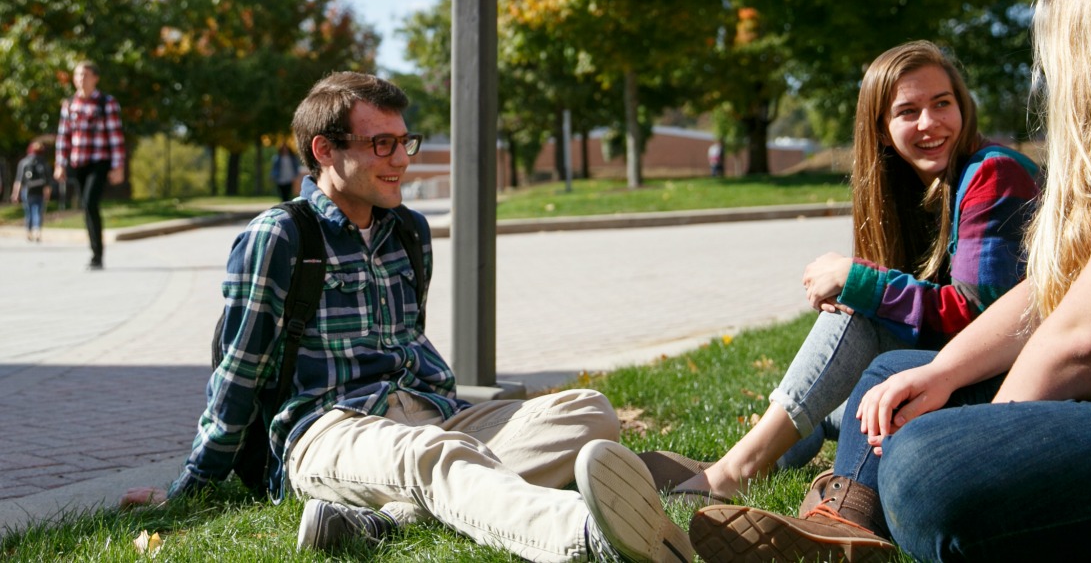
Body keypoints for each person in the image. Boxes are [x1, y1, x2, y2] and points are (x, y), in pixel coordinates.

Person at [688, 0, 1091, 563]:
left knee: (930, 468)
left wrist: (989, 431)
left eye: (1052, 59)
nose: (1047, 81)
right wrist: (945, 374)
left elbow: (1086, 339)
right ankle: (838, 524)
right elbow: (1051, 289)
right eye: (906, 112)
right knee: (895, 378)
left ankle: (782, 470)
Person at [121, 72, 691, 563]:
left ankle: (388, 522)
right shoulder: (281, 236)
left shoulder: (409, 232)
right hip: (328, 428)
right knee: (432, 458)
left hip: (432, 415)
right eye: (383, 144)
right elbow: (238, 375)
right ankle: (588, 536)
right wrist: (192, 487)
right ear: (325, 150)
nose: (402, 160)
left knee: (585, 410)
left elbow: (410, 341)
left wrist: (452, 414)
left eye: (404, 142)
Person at [645, 41, 1038, 510]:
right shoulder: (919, 185)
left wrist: (859, 280)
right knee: (844, 357)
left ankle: (738, 469)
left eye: (942, 104)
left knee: (861, 315)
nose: (929, 123)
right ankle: (758, 456)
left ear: (963, 106)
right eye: (908, 111)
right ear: (882, 128)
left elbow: (980, 314)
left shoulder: (994, 173)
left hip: (1015, 374)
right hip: (960, 366)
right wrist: (865, 286)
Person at [54, 60, 125, 269]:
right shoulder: (69, 104)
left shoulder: (106, 103)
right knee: (86, 207)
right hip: (78, 162)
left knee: (89, 202)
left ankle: (97, 255)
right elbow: (63, 137)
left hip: (99, 161)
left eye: (85, 75)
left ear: (95, 78)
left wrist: (118, 166)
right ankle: (95, 252)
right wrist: (60, 164)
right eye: (77, 75)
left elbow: (115, 136)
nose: (80, 79)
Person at [12, 140, 51, 242]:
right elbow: (47, 182)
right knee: (38, 212)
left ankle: (29, 232)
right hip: (40, 190)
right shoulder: (44, 162)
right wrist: (48, 193)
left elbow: (19, 180)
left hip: (27, 190)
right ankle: (37, 232)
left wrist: (15, 194)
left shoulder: (24, 162)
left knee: (28, 212)